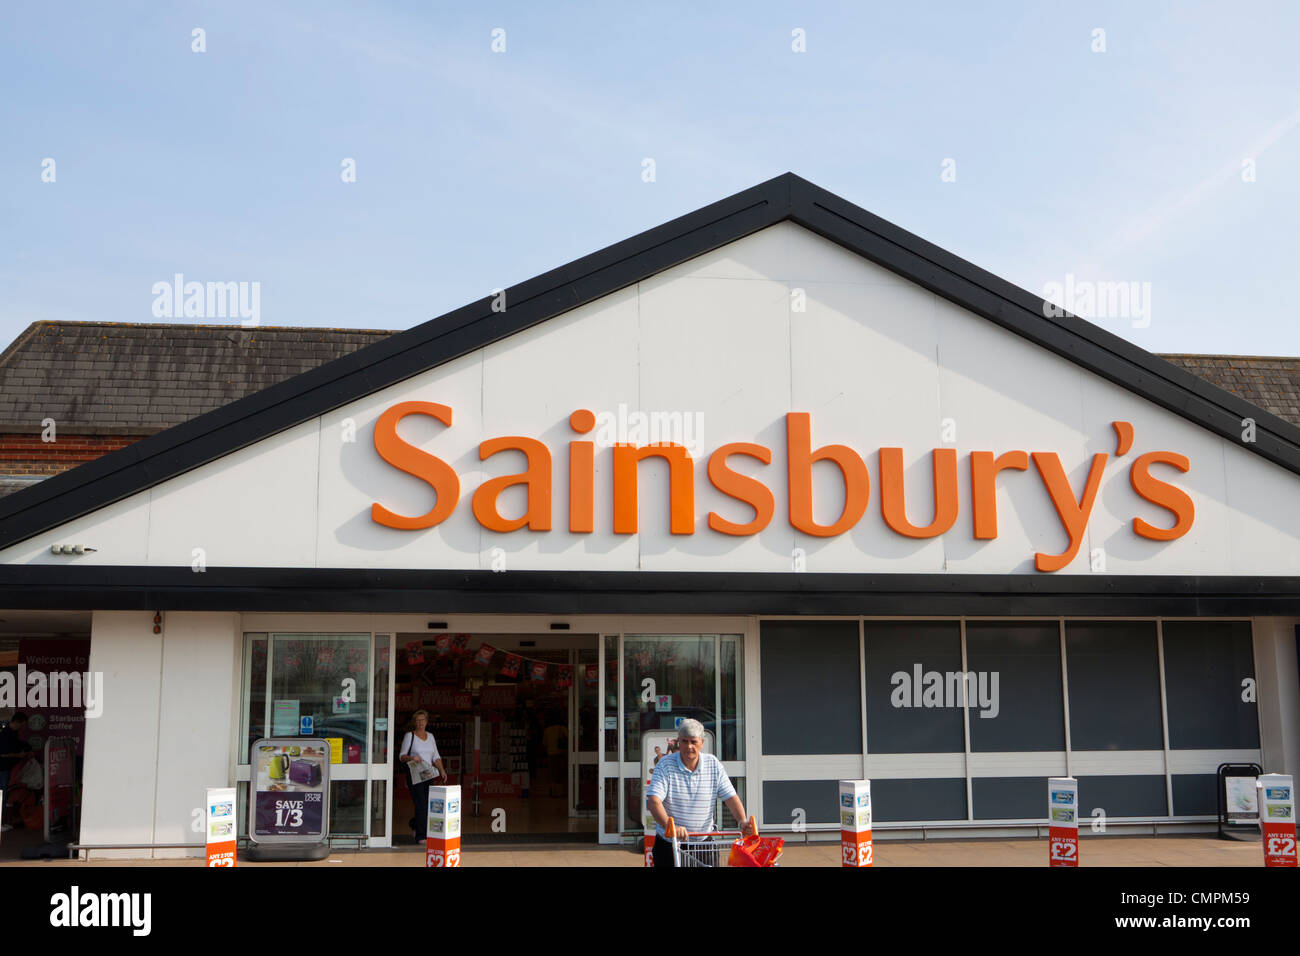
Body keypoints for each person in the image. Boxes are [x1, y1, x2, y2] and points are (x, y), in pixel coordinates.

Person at [645, 719, 752, 867]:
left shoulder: (713, 764)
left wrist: (742, 821)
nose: (689, 746)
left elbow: (730, 797)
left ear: (701, 742)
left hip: (703, 845)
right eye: (685, 741)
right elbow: (654, 801)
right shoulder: (665, 765)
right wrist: (670, 827)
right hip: (670, 844)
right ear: (678, 742)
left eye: (693, 742)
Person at [398, 710, 447, 841]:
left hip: (428, 774)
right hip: (415, 775)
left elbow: (436, 756)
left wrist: (442, 770)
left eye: (422, 720)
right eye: (418, 720)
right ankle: (421, 836)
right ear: (414, 722)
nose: (420, 723)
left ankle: (415, 825)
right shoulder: (410, 736)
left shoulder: (430, 736)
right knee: (421, 804)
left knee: (426, 804)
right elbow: (402, 756)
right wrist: (412, 757)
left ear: (426, 722)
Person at [0, 712, 33, 832]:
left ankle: (3, 822)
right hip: (2, 768)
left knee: (4, 795)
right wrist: (19, 755)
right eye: (22, 725)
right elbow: (3, 754)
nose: (22, 728)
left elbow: (16, 745)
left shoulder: (14, 733)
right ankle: (0, 822)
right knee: (2, 796)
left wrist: (26, 749)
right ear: (16, 722)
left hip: (6, 768)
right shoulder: (5, 734)